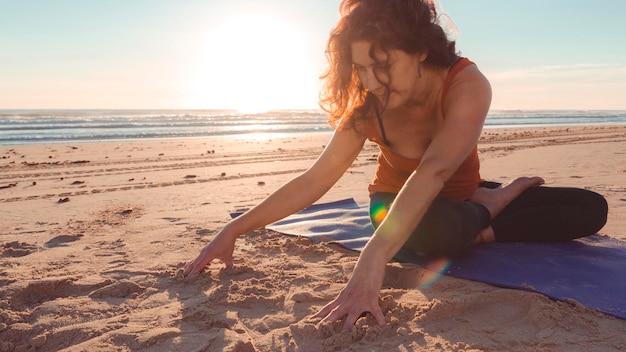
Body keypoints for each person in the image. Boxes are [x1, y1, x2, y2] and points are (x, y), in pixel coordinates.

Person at [184, 0, 608, 331]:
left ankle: (483, 209)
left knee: (589, 209)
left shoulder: (466, 84)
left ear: (421, 49)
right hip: (395, 204)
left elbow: (436, 170)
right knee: (429, 230)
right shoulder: (369, 107)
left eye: (382, 65)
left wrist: (371, 260)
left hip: (454, 193)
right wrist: (233, 229)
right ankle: (490, 208)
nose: (370, 81)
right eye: (362, 68)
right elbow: (315, 179)